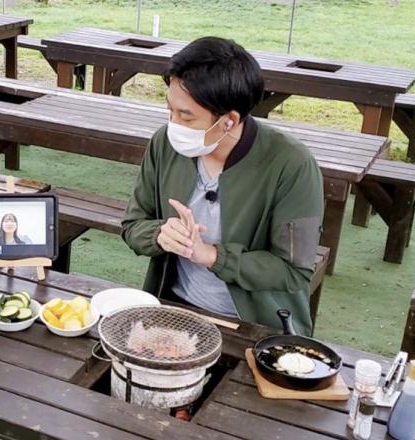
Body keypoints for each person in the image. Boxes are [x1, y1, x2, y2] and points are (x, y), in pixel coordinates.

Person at [121, 37, 324, 335]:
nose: (173, 124)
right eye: (170, 110)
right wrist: (160, 233)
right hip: (174, 307)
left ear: (229, 121)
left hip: (254, 326)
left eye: (186, 115)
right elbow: (132, 225)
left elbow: (293, 272)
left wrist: (212, 256)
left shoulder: (292, 165)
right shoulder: (164, 144)